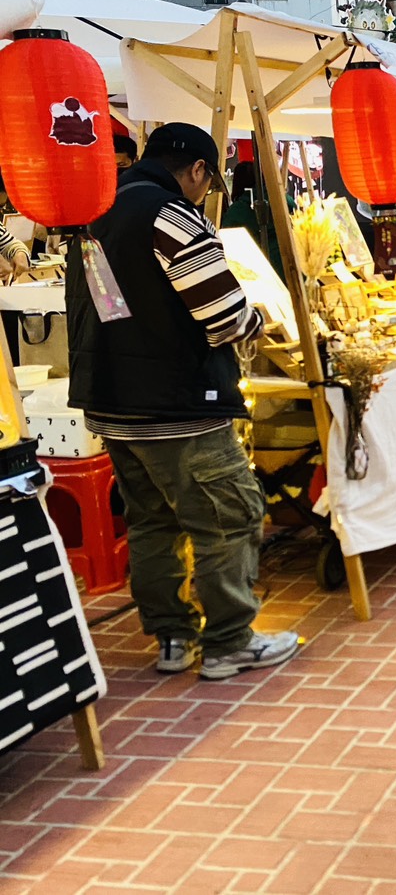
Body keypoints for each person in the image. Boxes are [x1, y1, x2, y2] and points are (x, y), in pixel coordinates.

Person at [65, 122, 302, 681]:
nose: (206, 192)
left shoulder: (95, 213)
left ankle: (173, 637)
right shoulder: (172, 215)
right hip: (178, 405)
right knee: (228, 515)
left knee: (152, 523)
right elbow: (224, 318)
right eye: (209, 181)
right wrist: (257, 319)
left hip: (112, 403)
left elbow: (108, 307)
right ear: (197, 170)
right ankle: (229, 642)